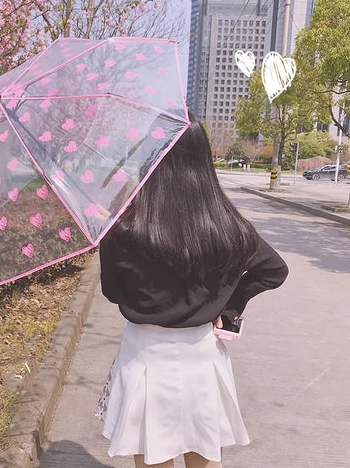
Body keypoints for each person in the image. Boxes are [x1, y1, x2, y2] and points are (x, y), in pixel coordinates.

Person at [94, 112, 289, 468]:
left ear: (152, 156)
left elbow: (112, 292)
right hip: (201, 354)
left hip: (145, 355)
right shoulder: (225, 223)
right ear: (202, 157)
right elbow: (274, 270)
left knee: (153, 455)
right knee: (203, 451)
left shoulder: (125, 226)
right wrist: (228, 305)